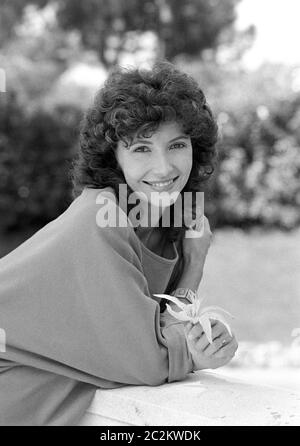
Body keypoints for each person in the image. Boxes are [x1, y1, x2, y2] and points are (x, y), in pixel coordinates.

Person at [0, 61, 238, 426]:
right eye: (141, 149)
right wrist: (194, 267)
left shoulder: (166, 218)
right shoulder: (99, 217)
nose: (163, 168)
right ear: (114, 157)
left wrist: (198, 339)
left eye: (176, 145)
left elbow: (155, 329)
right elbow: (148, 359)